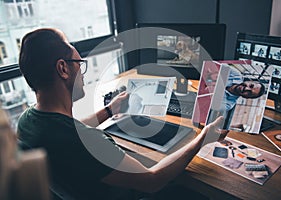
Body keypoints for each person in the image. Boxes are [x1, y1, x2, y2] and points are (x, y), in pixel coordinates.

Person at [17, 28, 227, 200]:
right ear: (63, 69)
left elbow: (71, 127)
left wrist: (110, 110)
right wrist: (203, 139)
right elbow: (152, 180)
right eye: (79, 64)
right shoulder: (85, 141)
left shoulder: (27, 121)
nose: (82, 73)